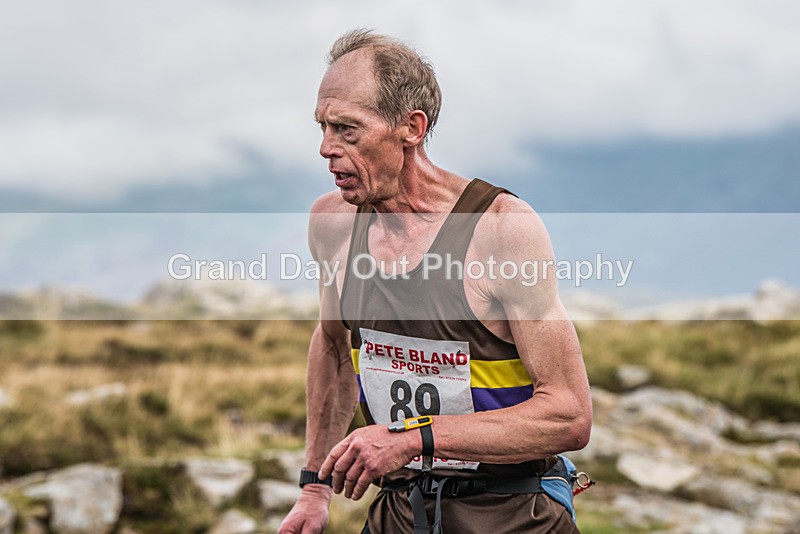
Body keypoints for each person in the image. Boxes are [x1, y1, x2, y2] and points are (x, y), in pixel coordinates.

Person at [279, 29, 592, 534]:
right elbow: (334, 350)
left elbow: (569, 415)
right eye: (322, 127)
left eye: (347, 130)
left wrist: (412, 438)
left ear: (411, 128)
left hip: (513, 514)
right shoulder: (331, 224)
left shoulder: (499, 228)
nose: (325, 148)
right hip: (400, 512)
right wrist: (314, 488)